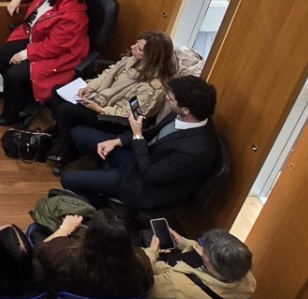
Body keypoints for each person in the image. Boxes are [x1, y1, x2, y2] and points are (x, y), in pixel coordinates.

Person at [59, 75, 221, 210]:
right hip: (139, 157)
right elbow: (152, 133)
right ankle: (106, 172)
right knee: (78, 133)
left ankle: (103, 206)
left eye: (171, 99)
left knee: (67, 179)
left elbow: (150, 175)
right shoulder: (184, 115)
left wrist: (137, 135)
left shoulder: (195, 151)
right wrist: (118, 141)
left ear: (186, 110)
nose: (167, 98)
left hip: (142, 185)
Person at [48, 30, 178, 169]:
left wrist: (101, 109)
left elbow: (131, 114)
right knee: (57, 90)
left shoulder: (153, 88)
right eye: (136, 43)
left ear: (152, 57)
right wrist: (90, 87)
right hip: (103, 100)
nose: (133, 47)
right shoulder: (132, 60)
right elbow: (107, 74)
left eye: (139, 48)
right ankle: (60, 134)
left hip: (114, 119)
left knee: (65, 110)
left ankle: (68, 151)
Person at [0, 0, 90, 127]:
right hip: (37, 39)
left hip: (59, 56)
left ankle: (11, 115)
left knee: (14, 75)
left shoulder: (72, 16)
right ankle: (20, 93)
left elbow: (54, 47)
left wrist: (25, 54)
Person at [33, 209, 153, 299]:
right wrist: (153, 252)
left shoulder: (64, 255)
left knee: (36, 232)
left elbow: (39, 250)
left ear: (88, 234)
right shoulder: (142, 263)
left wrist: (65, 229)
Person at [144, 227, 256, 299]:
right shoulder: (249, 281)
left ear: (207, 260)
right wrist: (183, 242)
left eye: (204, 248)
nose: (200, 246)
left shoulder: (175, 283)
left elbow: (144, 288)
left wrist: (152, 253)